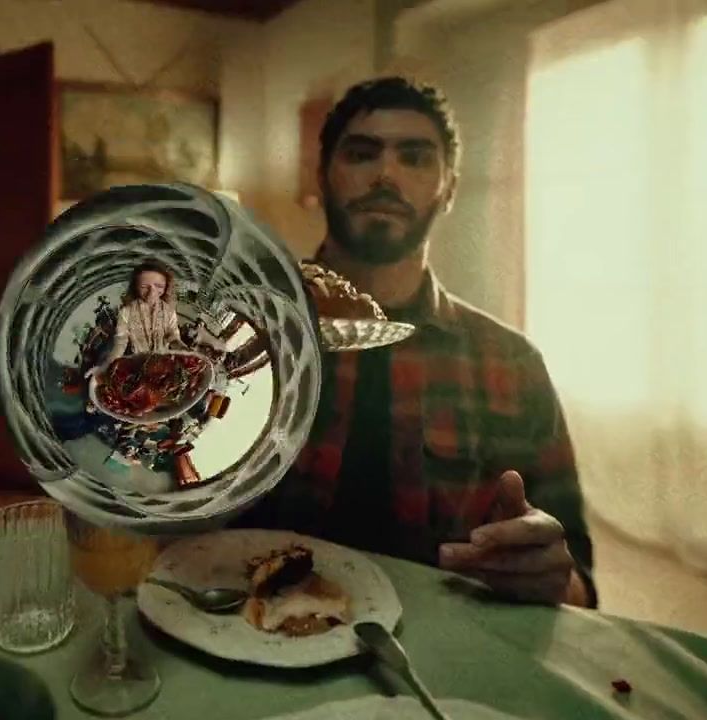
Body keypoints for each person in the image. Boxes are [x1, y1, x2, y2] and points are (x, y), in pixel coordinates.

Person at [241, 77, 596, 608]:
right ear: (321, 176)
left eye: (415, 157)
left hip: (443, 665)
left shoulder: (511, 363)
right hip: (248, 635)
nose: (386, 175)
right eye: (362, 154)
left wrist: (547, 576)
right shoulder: (242, 331)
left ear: (448, 188)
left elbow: (580, 585)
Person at [94, 259, 189, 372]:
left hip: (164, 365)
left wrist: (186, 350)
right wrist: (105, 366)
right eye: (144, 287)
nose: (152, 292)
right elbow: (120, 343)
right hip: (138, 366)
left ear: (166, 287)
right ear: (135, 287)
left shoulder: (169, 311)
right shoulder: (126, 312)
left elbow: (173, 337)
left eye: (159, 286)